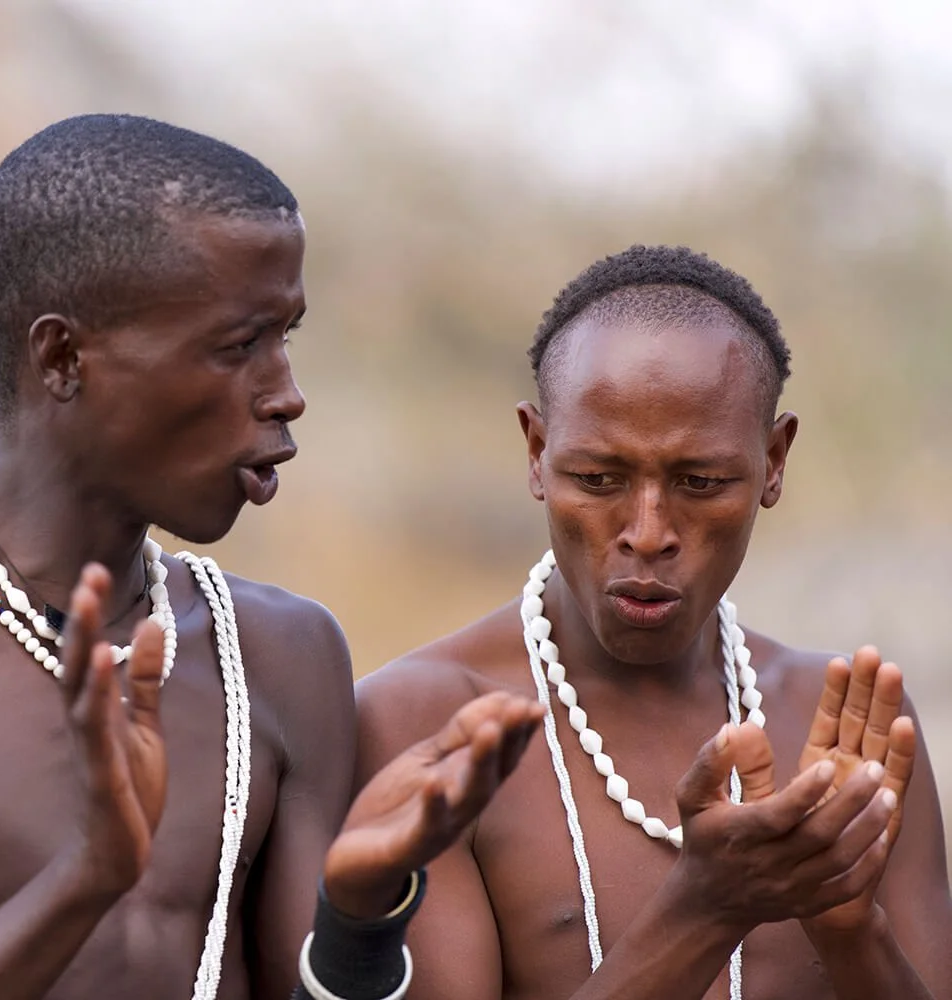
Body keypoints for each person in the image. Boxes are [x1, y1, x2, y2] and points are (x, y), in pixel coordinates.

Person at [0, 113, 544, 1000]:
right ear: (64, 357)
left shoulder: (281, 654)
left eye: (286, 336)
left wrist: (361, 920)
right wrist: (88, 878)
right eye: (238, 345)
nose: (287, 394)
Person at [352, 244, 952, 999]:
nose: (648, 531)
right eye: (598, 479)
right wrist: (707, 908)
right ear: (538, 454)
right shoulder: (428, 721)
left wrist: (847, 930)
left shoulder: (849, 732)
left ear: (773, 461)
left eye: (701, 482)